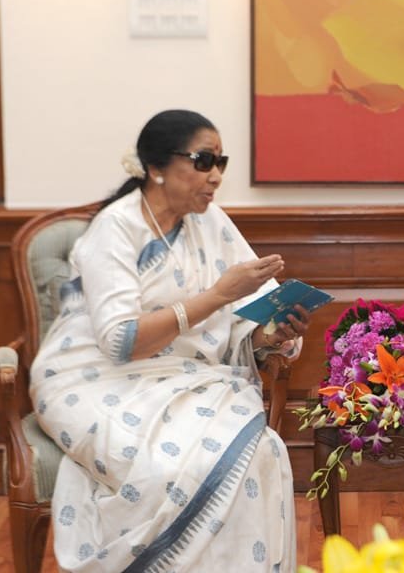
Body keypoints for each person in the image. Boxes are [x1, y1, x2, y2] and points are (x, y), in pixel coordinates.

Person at [29, 109, 309, 572]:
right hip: (93, 377)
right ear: (156, 167)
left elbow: (243, 323)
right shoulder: (116, 228)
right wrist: (218, 295)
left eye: (221, 162)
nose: (215, 176)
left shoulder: (210, 223)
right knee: (167, 469)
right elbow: (122, 343)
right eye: (203, 161)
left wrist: (272, 333)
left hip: (187, 377)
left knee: (261, 450)